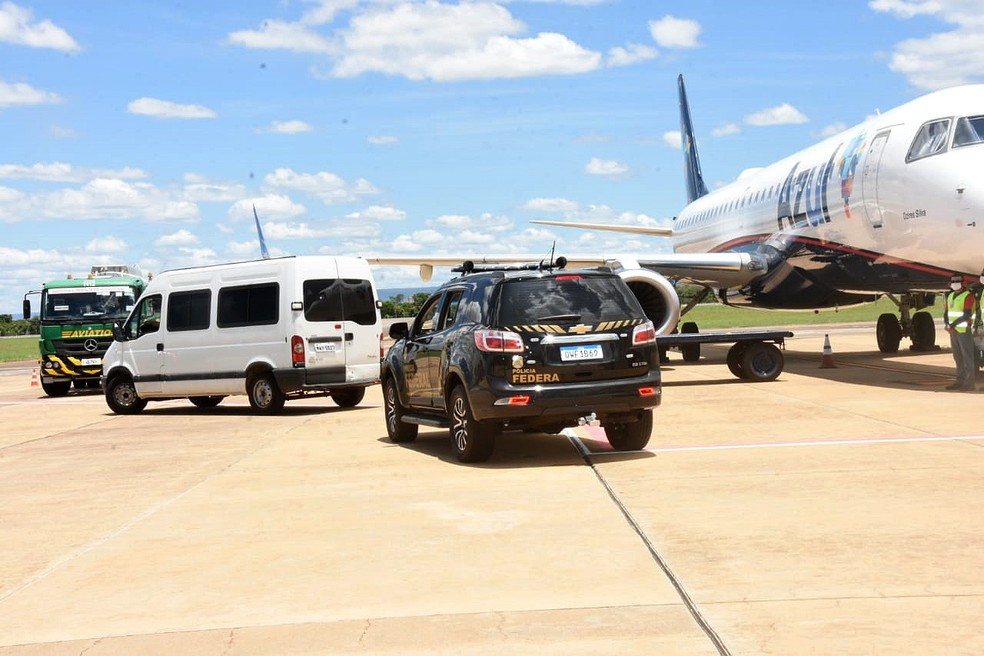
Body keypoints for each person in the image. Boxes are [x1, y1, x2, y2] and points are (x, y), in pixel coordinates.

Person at [943, 273, 978, 391]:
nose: (954, 284)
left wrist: (951, 325)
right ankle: (960, 381)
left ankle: (969, 383)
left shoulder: (968, 296)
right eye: (952, 281)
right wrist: (947, 324)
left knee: (967, 357)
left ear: (963, 283)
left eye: (957, 281)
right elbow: (946, 313)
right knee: (957, 357)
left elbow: (966, 314)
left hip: (963, 329)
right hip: (953, 330)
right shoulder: (950, 295)